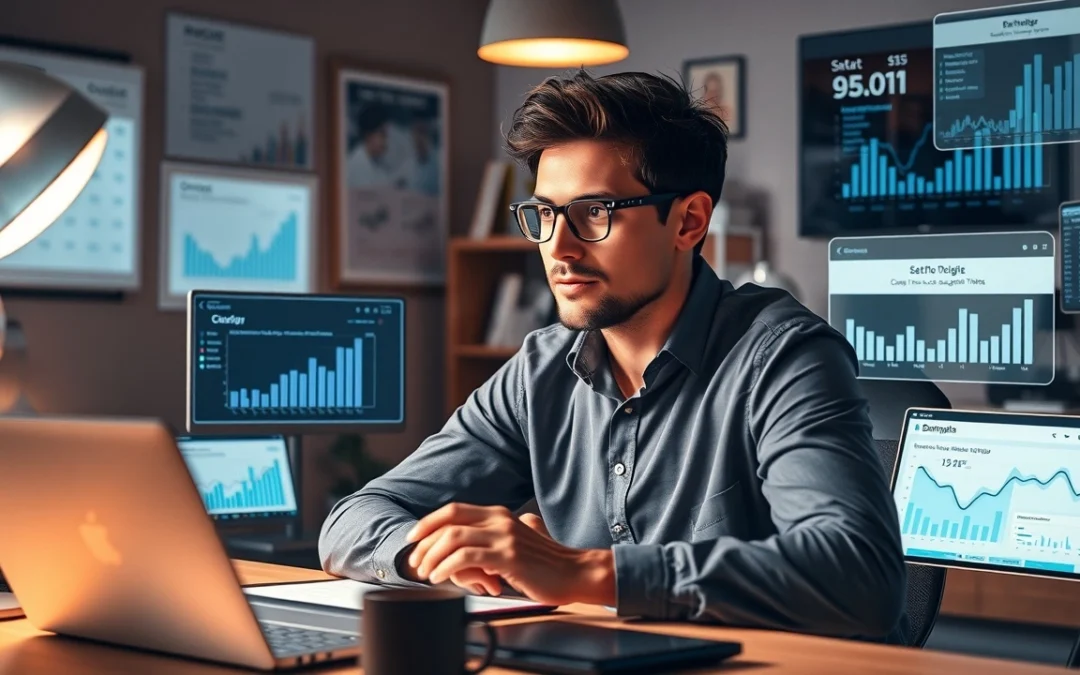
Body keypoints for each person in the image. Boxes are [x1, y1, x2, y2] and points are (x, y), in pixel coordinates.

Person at [319, 69, 907, 643]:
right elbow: (353, 520)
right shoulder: (539, 371)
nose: (558, 248)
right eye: (545, 214)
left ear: (689, 221)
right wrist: (441, 556)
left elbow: (858, 577)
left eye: (594, 213)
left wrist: (585, 574)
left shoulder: (783, 356)